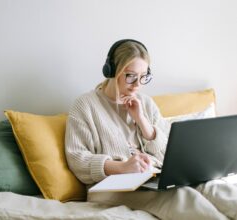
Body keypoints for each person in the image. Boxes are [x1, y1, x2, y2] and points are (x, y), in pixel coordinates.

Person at [65, 39, 237, 220]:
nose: (137, 84)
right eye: (130, 76)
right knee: (183, 198)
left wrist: (142, 121)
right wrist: (122, 167)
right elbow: (78, 160)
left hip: (153, 178)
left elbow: (167, 153)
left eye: (143, 76)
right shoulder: (85, 105)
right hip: (109, 188)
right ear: (112, 70)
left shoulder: (145, 103)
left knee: (214, 187)